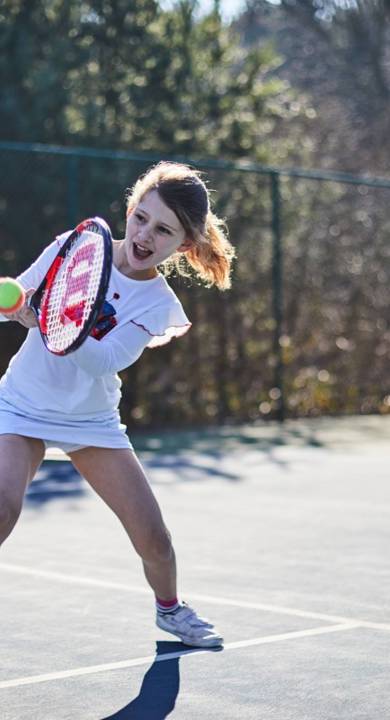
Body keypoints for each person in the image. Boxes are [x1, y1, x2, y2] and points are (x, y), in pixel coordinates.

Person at [0, 161, 235, 648]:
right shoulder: (77, 247)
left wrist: (45, 320)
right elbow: (21, 293)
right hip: (20, 406)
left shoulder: (158, 307)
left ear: (184, 245)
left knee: (155, 539)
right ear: (130, 210)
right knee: (1, 507)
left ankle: (170, 612)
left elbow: (104, 360)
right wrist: (16, 303)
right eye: (142, 219)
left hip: (92, 422)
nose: (147, 235)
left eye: (164, 230)